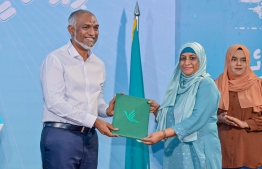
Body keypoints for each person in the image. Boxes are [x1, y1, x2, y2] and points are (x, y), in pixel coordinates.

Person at [40, 9, 118, 169]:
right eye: (86, 27)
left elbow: (95, 101)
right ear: (71, 29)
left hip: (89, 138)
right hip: (61, 137)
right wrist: (95, 121)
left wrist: (106, 111)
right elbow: (54, 103)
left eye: (96, 27)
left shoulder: (99, 64)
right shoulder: (55, 59)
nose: (93, 32)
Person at [142, 42, 222, 169]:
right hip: (176, 150)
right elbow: (174, 118)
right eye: (183, 58)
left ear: (201, 60)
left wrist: (162, 134)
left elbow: (197, 119)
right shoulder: (177, 86)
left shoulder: (206, 85)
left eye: (192, 58)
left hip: (199, 150)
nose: (186, 62)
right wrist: (158, 110)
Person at [215, 44, 262, 169]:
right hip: (222, 153)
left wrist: (246, 124)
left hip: (250, 155)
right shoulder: (215, 86)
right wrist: (218, 119)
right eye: (234, 59)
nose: (238, 64)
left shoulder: (258, 85)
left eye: (243, 60)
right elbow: (203, 116)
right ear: (228, 61)